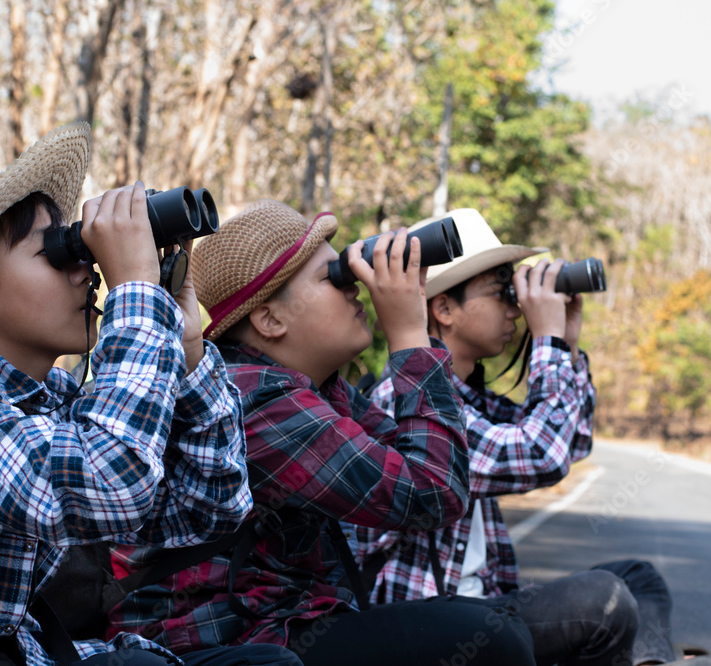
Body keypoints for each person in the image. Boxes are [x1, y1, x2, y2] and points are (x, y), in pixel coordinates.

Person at [0, 124, 301, 666]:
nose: (85, 268)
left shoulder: (47, 397)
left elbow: (208, 510)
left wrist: (184, 345)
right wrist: (135, 292)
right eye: (56, 252)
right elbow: (113, 482)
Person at [105, 200, 537, 666]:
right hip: (242, 642)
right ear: (270, 319)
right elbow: (432, 494)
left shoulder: (318, 389)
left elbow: (429, 469)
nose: (354, 289)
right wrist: (410, 332)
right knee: (494, 638)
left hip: (296, 623)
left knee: (556, 611)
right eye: (332, 276)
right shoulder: (255, 398)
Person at [360, 209, 711, 666]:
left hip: (483, 606)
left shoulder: (468, 396)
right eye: (501, 294)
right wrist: (547, 340)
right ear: (445, 308)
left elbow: (572, 444)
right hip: (433, 626)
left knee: (639, 577)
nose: (516, 308)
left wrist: (567, 346)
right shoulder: (406, 399)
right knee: (603, 598)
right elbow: (540, 455)